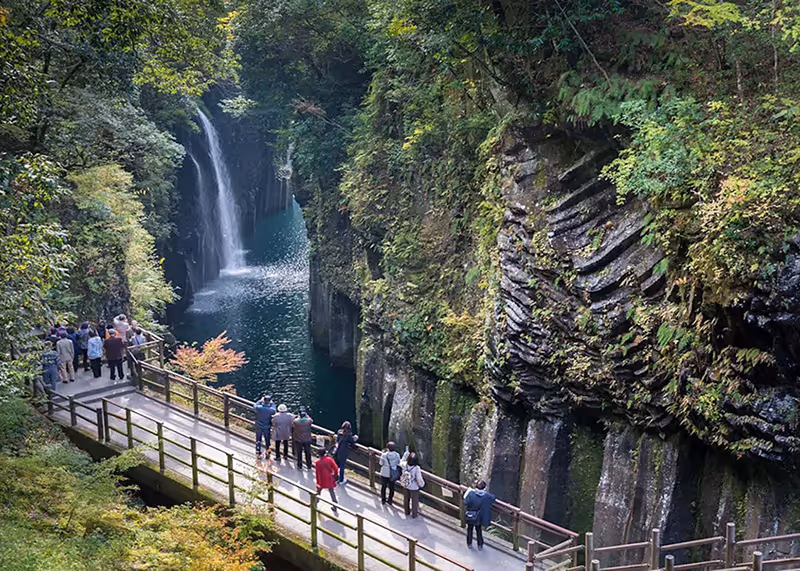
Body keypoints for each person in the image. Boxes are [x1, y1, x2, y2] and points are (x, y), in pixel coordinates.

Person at [463, 480, 497, 550]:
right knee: (478, 530)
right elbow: (494, 499)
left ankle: (469, 543)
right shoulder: (487, 496)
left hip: (471, 515)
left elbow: (465, 502)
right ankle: (480, 545)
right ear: (484, 488)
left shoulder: (471, 493)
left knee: (470, 529)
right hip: (479, 517)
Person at [400, 450, 424, 519]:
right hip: (414, 487)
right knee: (414, 501)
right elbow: (419, 478)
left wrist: (405, 454)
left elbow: (401, 461)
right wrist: (422, 485)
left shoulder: (404, 465)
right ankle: (414, 514)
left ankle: (406, 512)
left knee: (406, 499)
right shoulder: (416, 468)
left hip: (405, 484)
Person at [315, 448, 339, 514]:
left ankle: (315, 503)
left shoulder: (317, 462)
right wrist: (336, 475)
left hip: (322, 480)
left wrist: (318, 483)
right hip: (330, 478)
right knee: (332, 492)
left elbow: (317, 474)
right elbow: (336, 467)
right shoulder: (330, 459)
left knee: (318, 492)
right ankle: (335, 505)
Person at [379, 441, 402, 505]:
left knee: (384, 486)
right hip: (392, 473)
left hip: (384, 472)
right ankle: (390, 500)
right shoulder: (397, 455)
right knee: (392, 487)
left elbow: (381, 463)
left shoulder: (384, 455)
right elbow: (398, 463)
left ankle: (383, 500)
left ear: (387, 448)